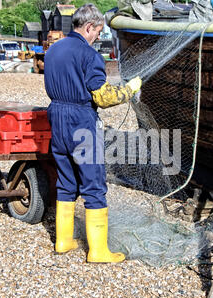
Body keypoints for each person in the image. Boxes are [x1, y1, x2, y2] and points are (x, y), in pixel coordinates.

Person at [44, 3, 142, 263]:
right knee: (94, 184)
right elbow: (102, 96)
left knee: (65, 181)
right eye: (98, 32)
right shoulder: (89, 55)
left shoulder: (53, 50)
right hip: (80, 120)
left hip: (56, 117)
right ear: (88, 27)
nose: (98, 37)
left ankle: (63, 241)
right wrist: (129, 89)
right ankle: (98, 251)